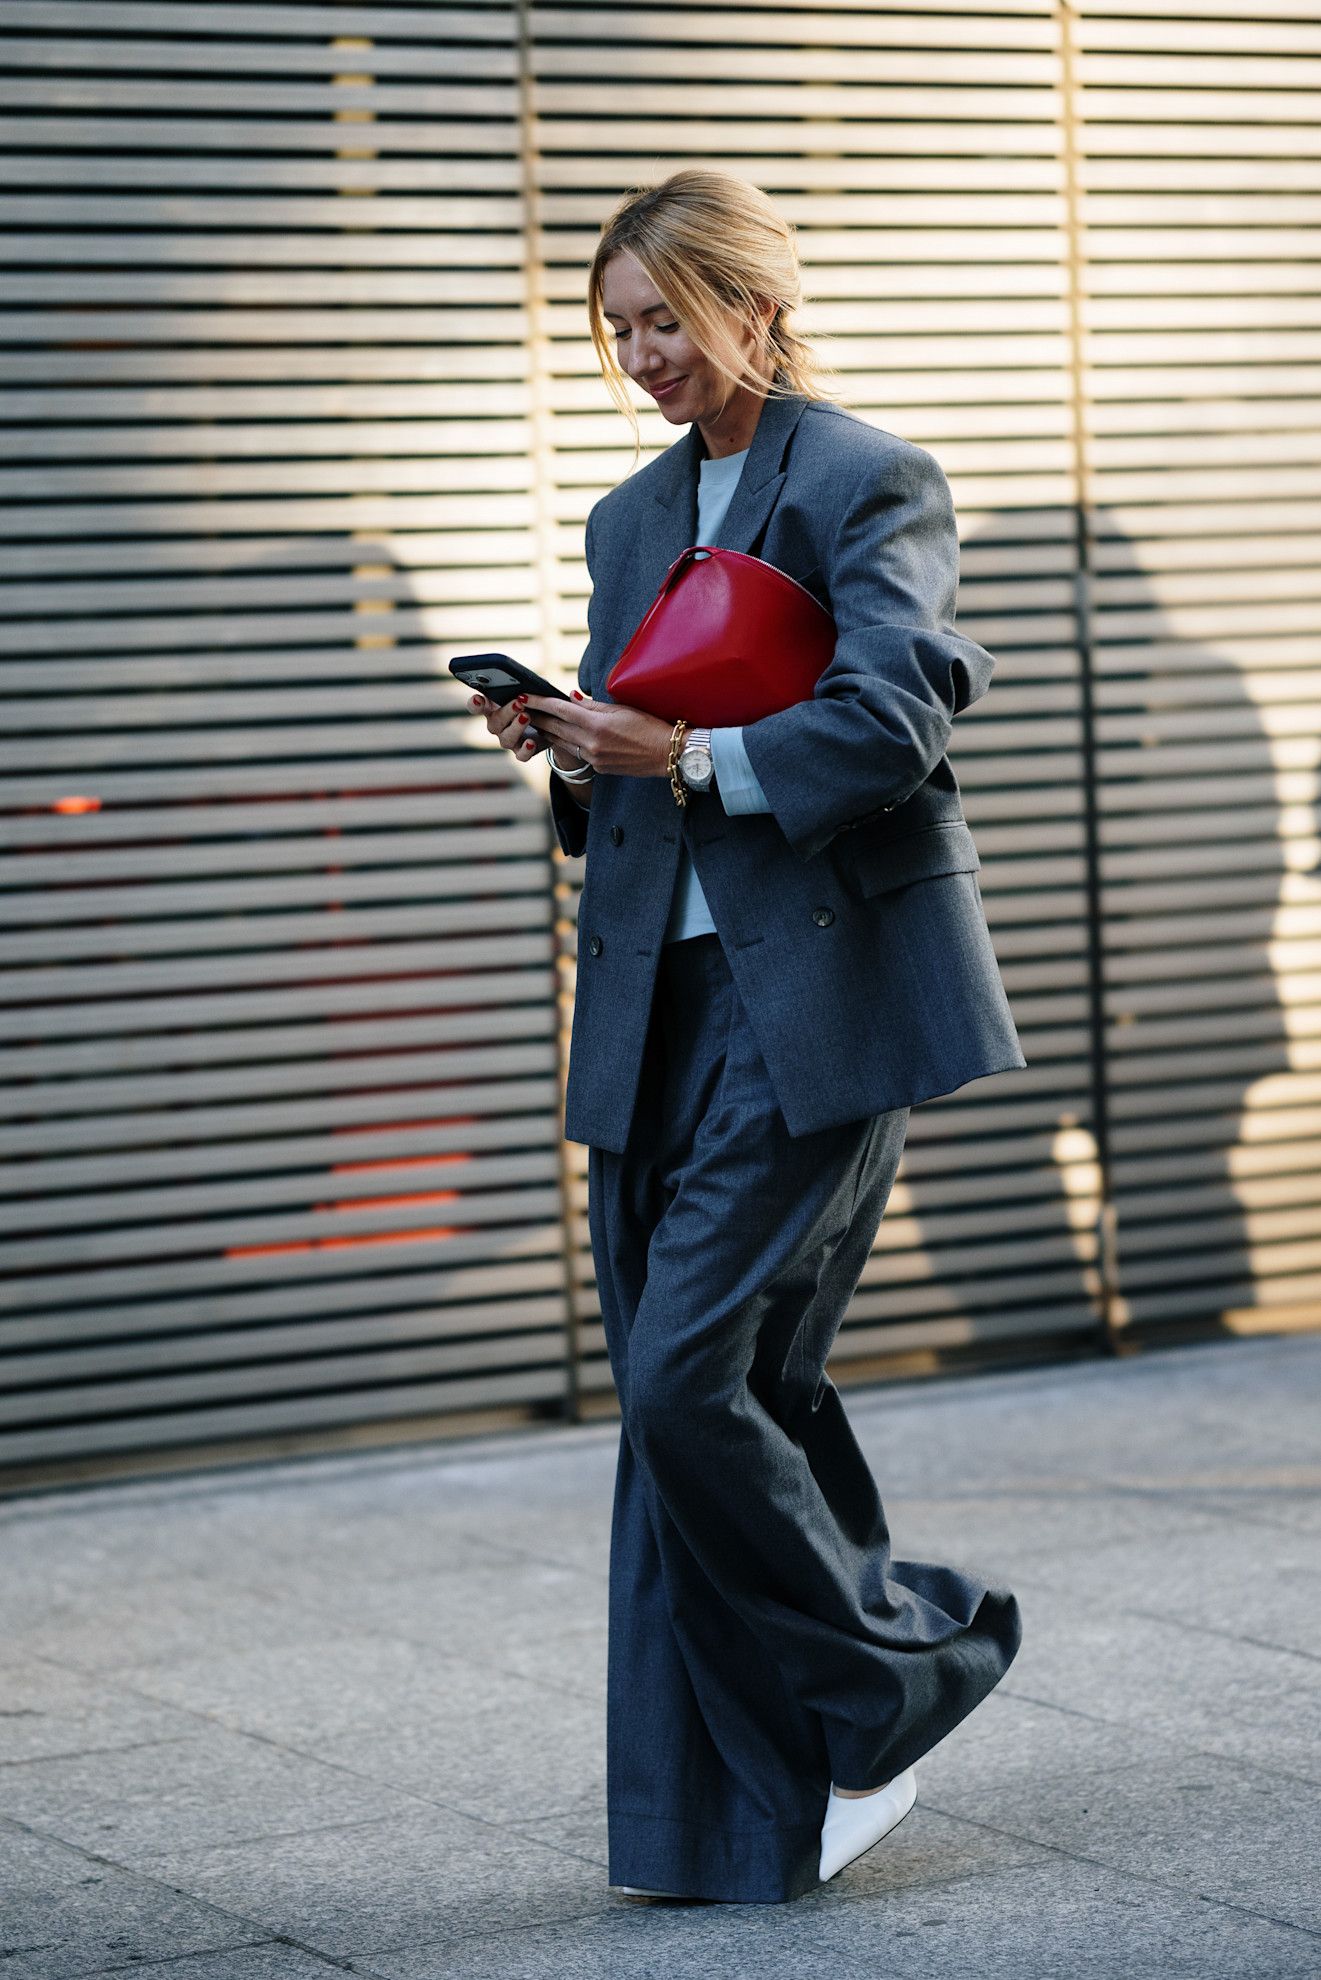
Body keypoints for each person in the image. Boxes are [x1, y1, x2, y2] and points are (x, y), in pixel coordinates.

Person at [467, 168, 1027, 1906]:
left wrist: (691, 758)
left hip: (816, 1001)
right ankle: (727, 1820)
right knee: (712, 1402)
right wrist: (572, 748)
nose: (642, 355)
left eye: (666, 320)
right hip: (650, 1005)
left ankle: (906, 1671)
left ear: (752, 306)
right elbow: (632, 746)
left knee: (684, 1381)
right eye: (617, 328)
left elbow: (895, 712)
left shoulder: (864, 477)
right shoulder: (630, 516)